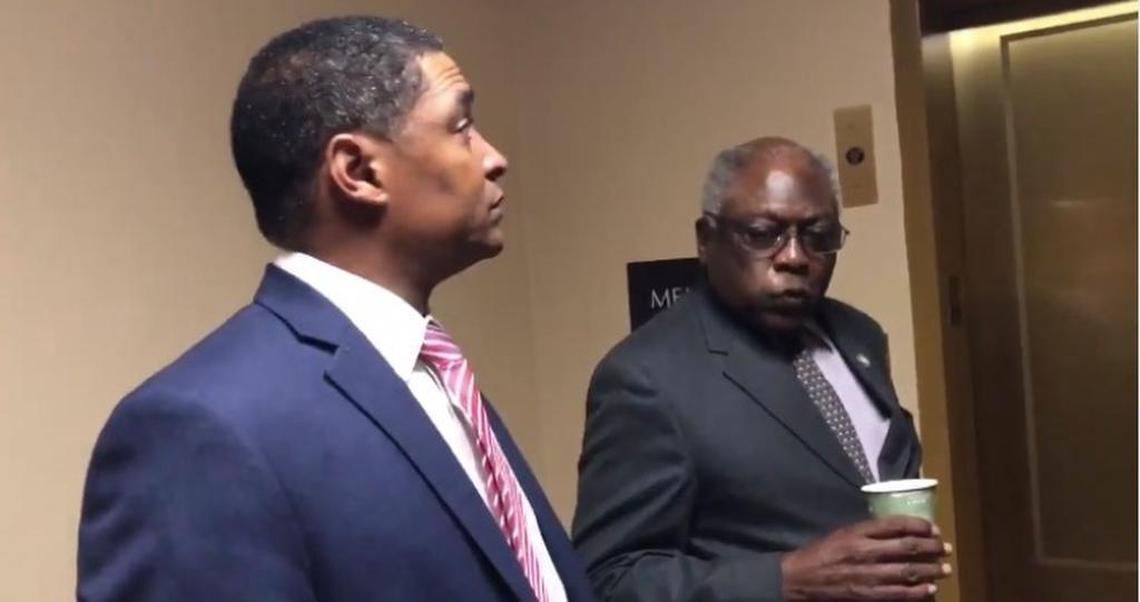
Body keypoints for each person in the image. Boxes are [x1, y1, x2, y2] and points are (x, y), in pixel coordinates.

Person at [78, 16, 595, 602]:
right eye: (462, 127)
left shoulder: (432, 372)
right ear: (358, 171)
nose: (494, 157)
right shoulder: (197, 429)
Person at [571, 137, 952, 601]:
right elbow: (608, 579)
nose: (794, 257)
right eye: (761, 233)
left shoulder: (859, 335)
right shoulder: (645, 380)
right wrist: (786, 580)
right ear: (706, 239)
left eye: (818, 236)